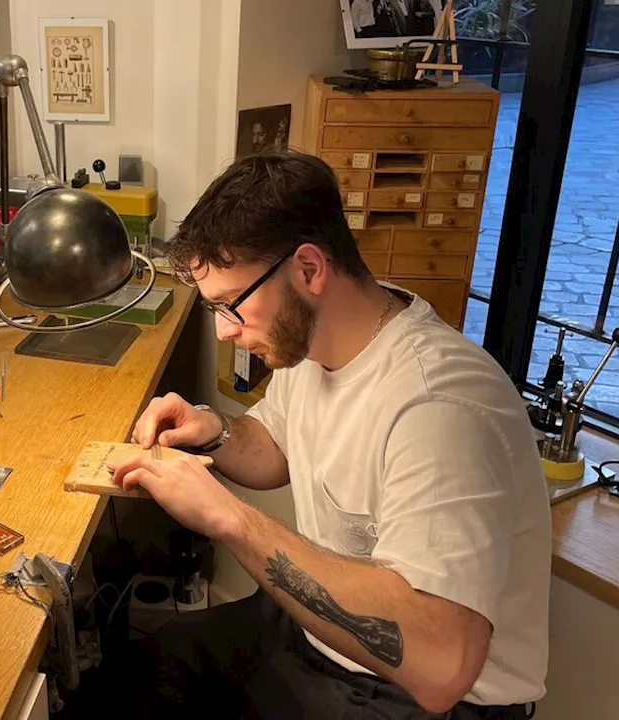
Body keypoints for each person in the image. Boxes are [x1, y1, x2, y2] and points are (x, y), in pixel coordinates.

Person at [109, 152, 550, 718]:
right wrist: (214, 432)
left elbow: (441, 666)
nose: (223, 329)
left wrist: (227, 516)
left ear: (310, 269)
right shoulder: (315, 341)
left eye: (231, 305)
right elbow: (277, 448)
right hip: (313, 635)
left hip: (417, 695)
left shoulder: (441, 405)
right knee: (134, 673)